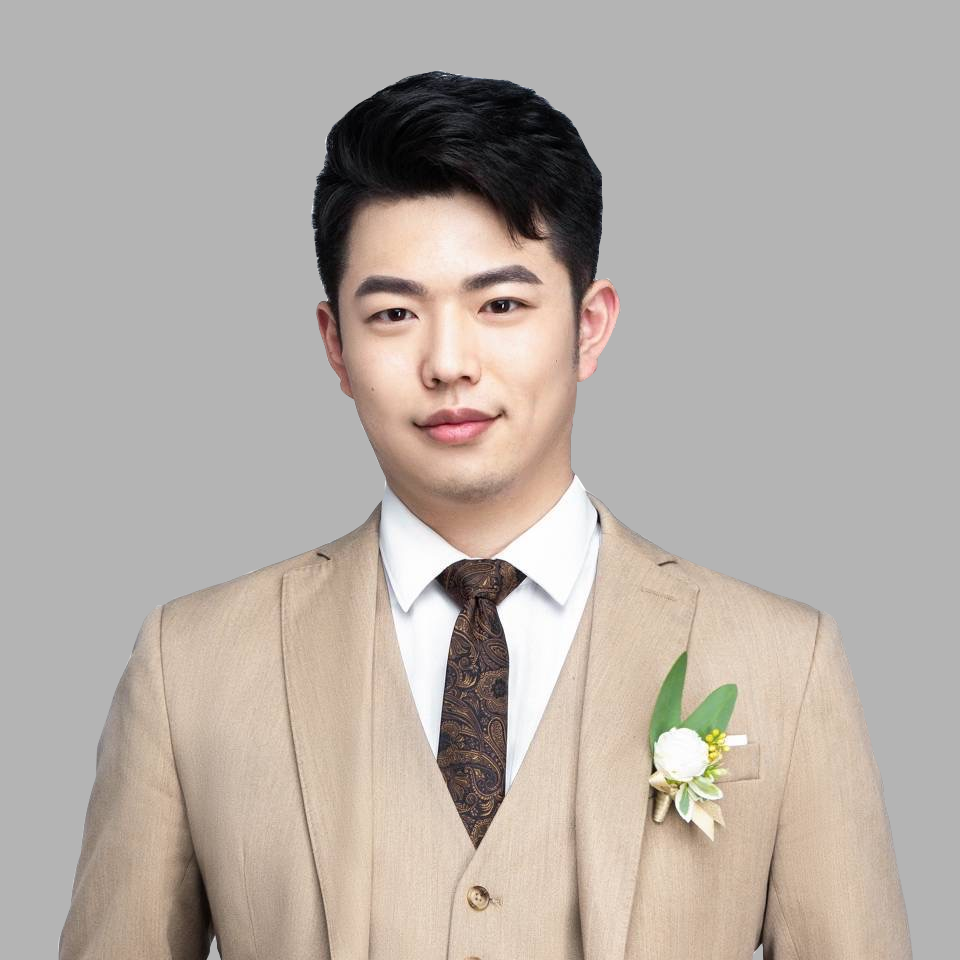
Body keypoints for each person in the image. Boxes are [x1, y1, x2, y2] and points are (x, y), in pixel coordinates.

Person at [60, 70, 912, 959]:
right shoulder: (190, 665)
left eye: (501, 304)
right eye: (394, 312)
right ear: (336, 346)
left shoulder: (784, 661)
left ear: (589, 325)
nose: (448, 362)